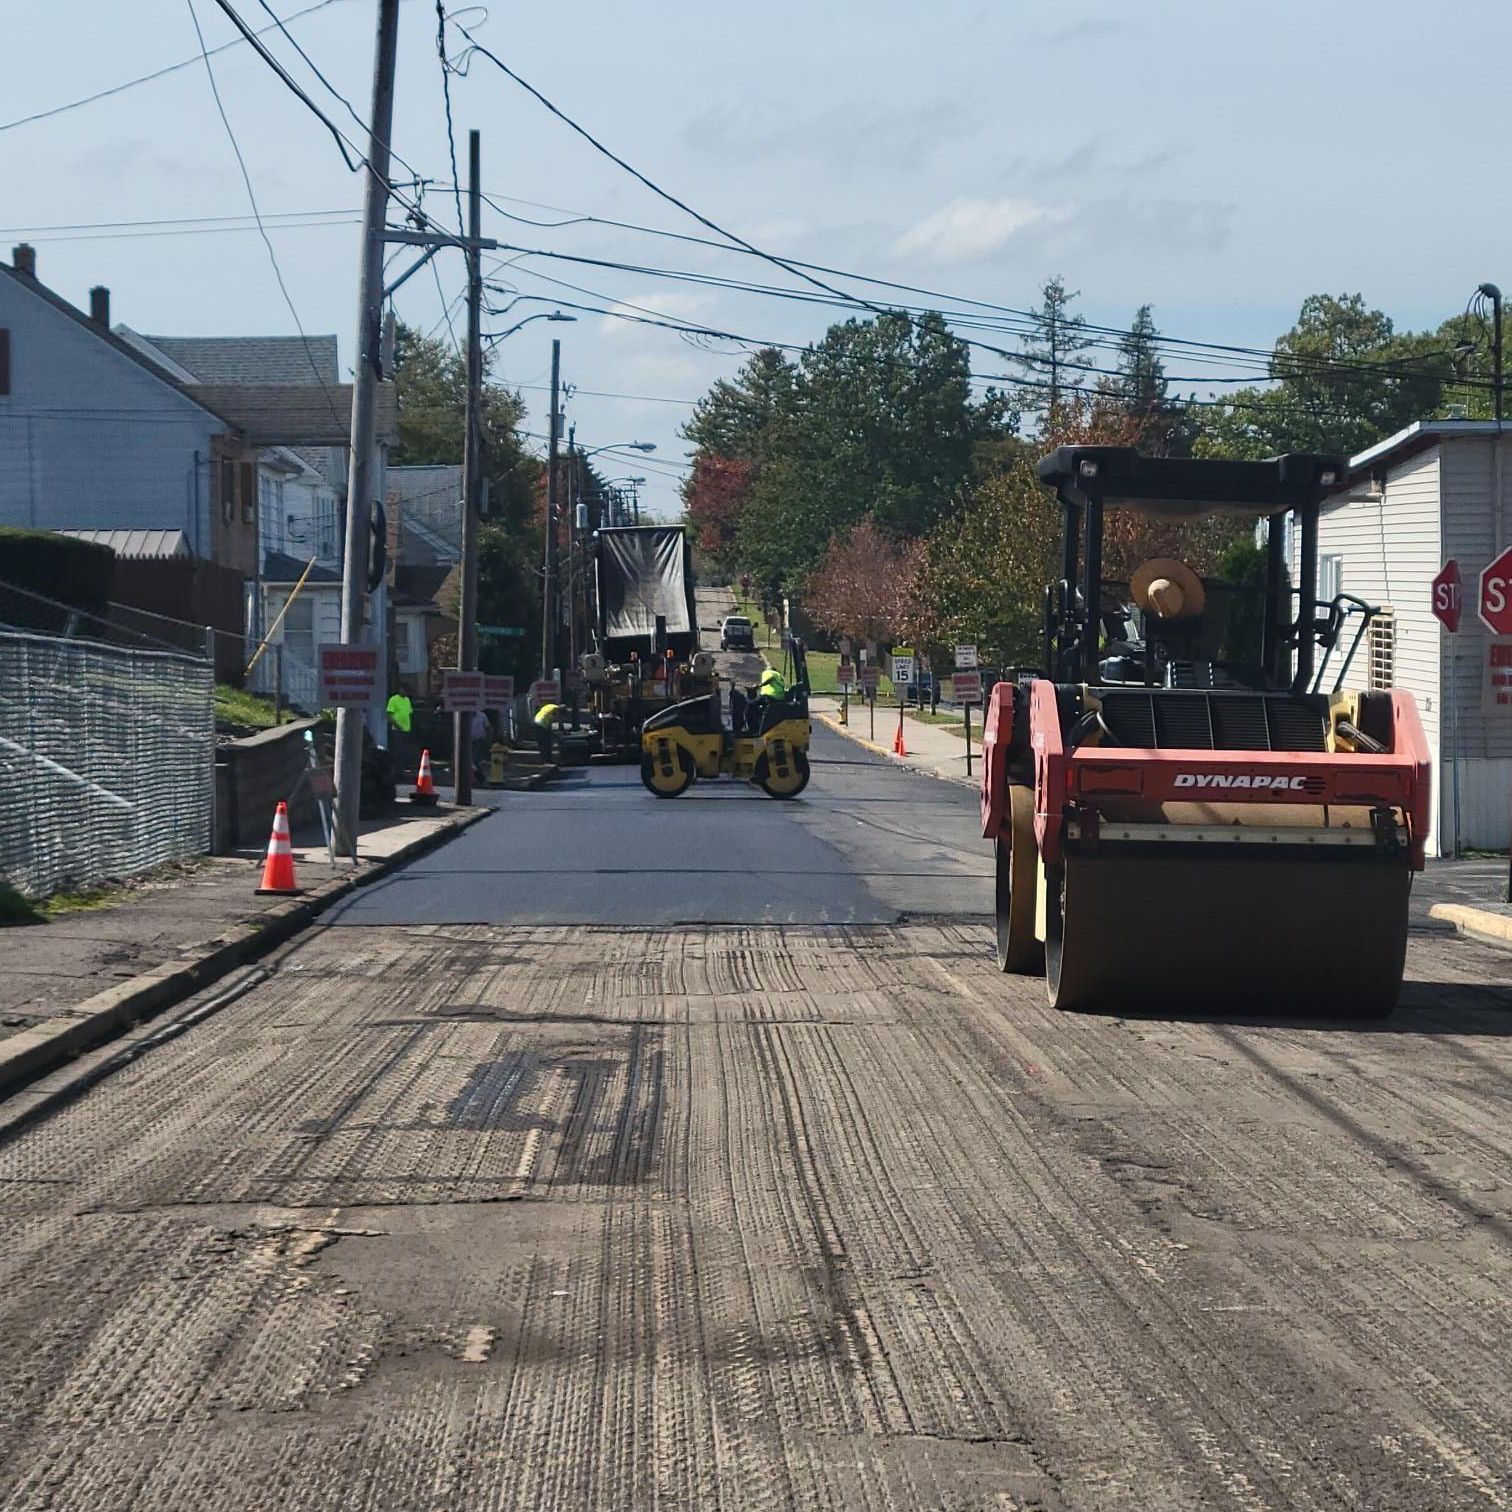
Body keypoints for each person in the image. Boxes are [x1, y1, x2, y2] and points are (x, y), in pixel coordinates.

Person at [386, 688, 414, 777]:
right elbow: (389, 716)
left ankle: (402, 770)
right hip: (397, 730)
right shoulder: (393, 699)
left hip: (406, 730)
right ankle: (396, 771)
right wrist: (398, 726)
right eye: (404, 690)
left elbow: (409, 713)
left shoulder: (407, 700)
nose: (405, 692)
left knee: (404, 752)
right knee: (398, 751)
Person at [470, 709, 491, 783]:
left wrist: (488, 740)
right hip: (468, 741)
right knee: (470, 760)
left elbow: (487, 727)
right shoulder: (466, 716)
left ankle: (479, 777)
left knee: (475, 759)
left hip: (479, 740)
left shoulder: (482, 716)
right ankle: (478, 777)